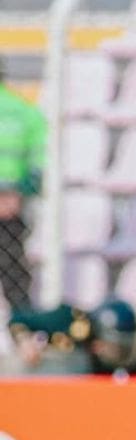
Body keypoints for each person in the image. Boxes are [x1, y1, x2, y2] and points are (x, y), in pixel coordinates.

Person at [0, 61, 45, 313]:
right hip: (11, 205)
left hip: (9, 204)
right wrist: (21, 190)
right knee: (14, 272)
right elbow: (41, 162)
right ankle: (24, 330)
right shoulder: (25, 110)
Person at [8, 298, 136, 376]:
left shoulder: (134, 366)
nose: (122, 353)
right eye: (118, 347)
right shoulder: (70, 321)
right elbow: (18, 319)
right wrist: (25, 341)